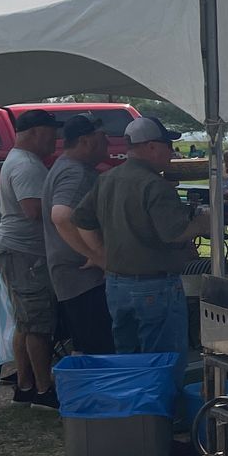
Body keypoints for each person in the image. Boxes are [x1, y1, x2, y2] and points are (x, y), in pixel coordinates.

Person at [72, 116, 211, 357]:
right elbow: (175, 234)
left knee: (127, 356)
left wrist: (101, 256)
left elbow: (81, 220)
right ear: (152, 147)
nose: (172, 152)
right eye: (169, 146)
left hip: (116, 284)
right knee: (162, 358)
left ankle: (132, 395)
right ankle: (159, 395)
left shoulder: (106, 179)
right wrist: (201, 223)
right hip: (154, 286)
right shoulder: (155, 185)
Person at [0, 110, 61, 407]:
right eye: (51, 133)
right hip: (26, 252)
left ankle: (25, 385)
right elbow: (33, 210)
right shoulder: (26, 165)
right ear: (35, 132)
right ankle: (45, 391)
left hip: (17, 250)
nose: (55, 140)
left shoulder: (21, 160)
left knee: (25, 322)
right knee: (37, 323)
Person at [43, 116, 114, 355]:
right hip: (84, 280)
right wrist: (96, 255)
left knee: (85, 349)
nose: (108, 142)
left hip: (73, 279)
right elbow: (61, 216)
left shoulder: (65, 166)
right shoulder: (77, 173)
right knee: (99, 351)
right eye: (102, 137)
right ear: (86, 141)